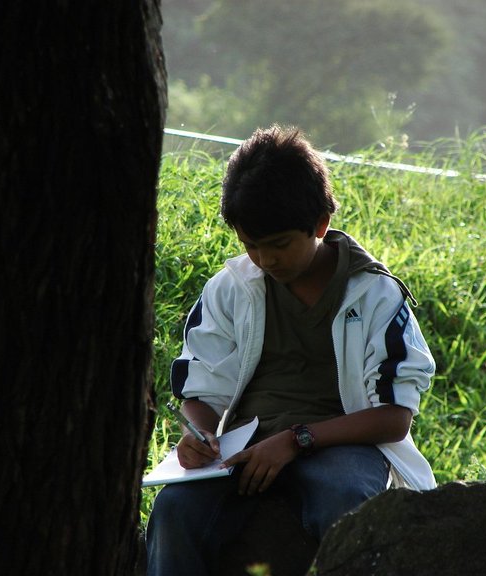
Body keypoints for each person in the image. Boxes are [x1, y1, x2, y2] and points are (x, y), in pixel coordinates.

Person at [146, 125, 436, 576]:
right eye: (251, 246)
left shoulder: (375, 296)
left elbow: (394, 417)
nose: (266, 260)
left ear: (320, 224)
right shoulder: (231, 289)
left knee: (349, 504)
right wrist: (201, 436)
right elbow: (201, 389)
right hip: (244, 446)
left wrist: (296, 439)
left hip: (343, 445)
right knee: (174, 511)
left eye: (279, 245)